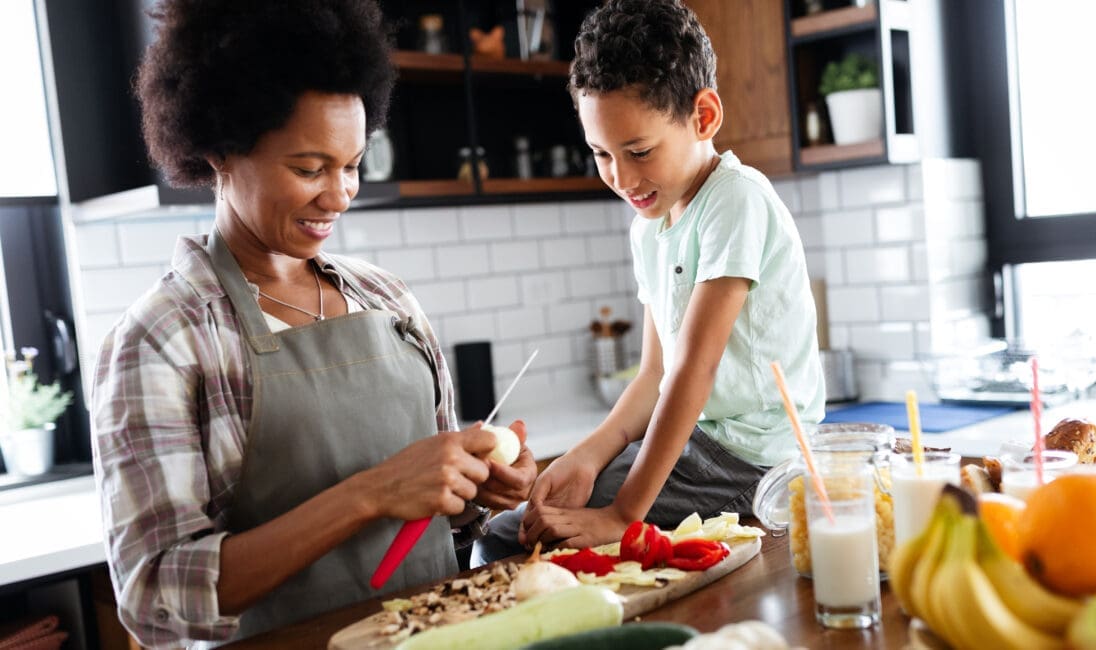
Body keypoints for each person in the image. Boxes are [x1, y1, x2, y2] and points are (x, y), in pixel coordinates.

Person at [91, 1, 537, 646]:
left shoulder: (388, 300)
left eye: (352, 163)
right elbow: (156, 595)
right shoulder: (163, 339)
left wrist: (474, 488)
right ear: (220, 151)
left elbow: (437, 519)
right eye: (308, 168)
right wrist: (371, 493)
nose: (339, 194)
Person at [472, 0, 824, 564]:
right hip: (697, 445)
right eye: (602, 155)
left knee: (526, 542)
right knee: (510, 531)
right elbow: (654, 374)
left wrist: (620, 515)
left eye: (638, 151)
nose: (621, 177)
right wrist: (588, 454)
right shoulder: (651, 226)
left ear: (703, 117)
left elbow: (694, 370)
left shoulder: (737, 200)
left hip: (757, 457)